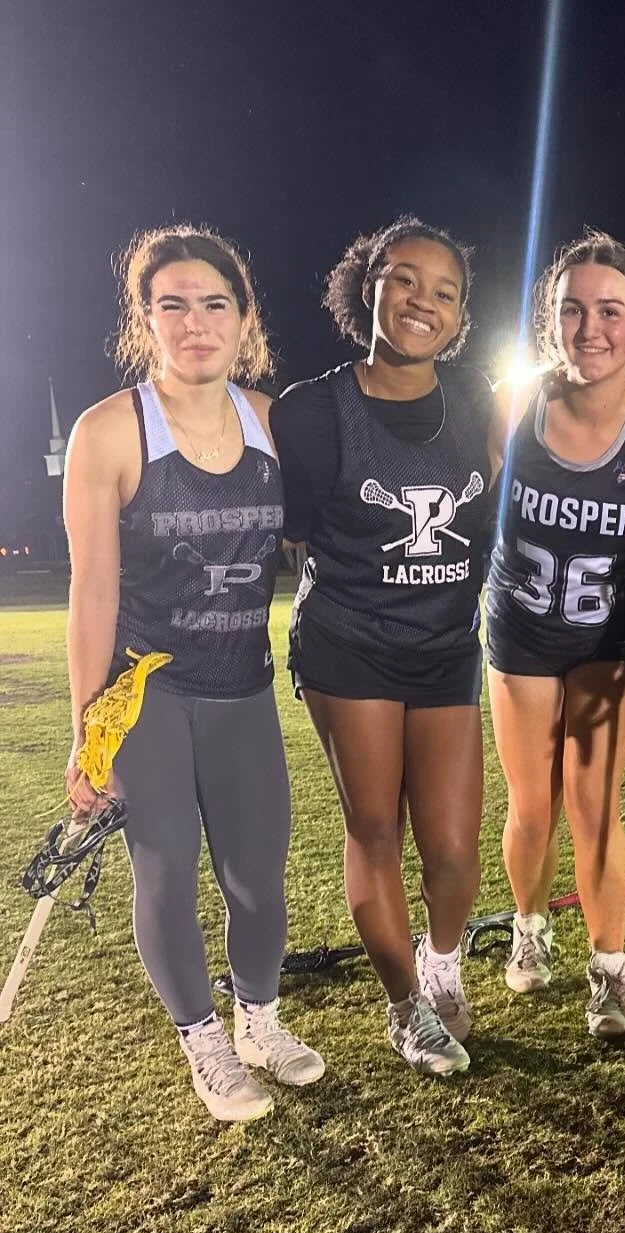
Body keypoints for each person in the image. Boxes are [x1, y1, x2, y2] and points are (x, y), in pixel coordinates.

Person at [63, 226, 323, 1123]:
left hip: (244, 685)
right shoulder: (109, 430)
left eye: (214, 303)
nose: (195, 322)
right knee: (167, 872)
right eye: (171, 304)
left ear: (244, 317)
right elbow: (93, 589)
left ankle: (259, 1021)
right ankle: (203, 1038)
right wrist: (86, 730)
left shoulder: (273, 423)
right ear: (145, 319)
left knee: (258, 880)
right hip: (149, 694)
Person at [270, 217, 496, 1078]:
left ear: (461, 316)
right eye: (403, 279)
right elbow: (286, 532)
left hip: (446, 644)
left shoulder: (478, 399)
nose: (420, 301)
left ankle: (440, 960)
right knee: (375, 828)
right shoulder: (311, 410)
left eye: (444, 291)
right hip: (350, 642)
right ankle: (407, 1007)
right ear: (368, 285)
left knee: (454, 849)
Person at [485, 230, 625, 1040]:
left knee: (595, 807)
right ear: (550, 318)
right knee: (533, 806)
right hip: (521, 632)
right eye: (572, 309)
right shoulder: (513, 403)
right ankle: (530, 925)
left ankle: (610, 967)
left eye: (609, 311)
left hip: (607, 642)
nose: (589, 328)